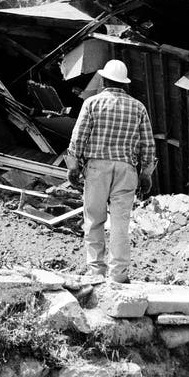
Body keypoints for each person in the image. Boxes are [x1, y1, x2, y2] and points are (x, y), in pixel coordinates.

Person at [67, 60, 155, 283]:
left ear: (104, 80)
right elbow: (147, 145)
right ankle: (118, 275)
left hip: (97, 167)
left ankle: (96, 271)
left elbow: (79, 137)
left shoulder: (92, 104)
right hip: (126, 170)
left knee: (94, 220)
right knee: (120, 225)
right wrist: (146, 174)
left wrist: (73, 166)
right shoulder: (138, 107)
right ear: (124, 84)